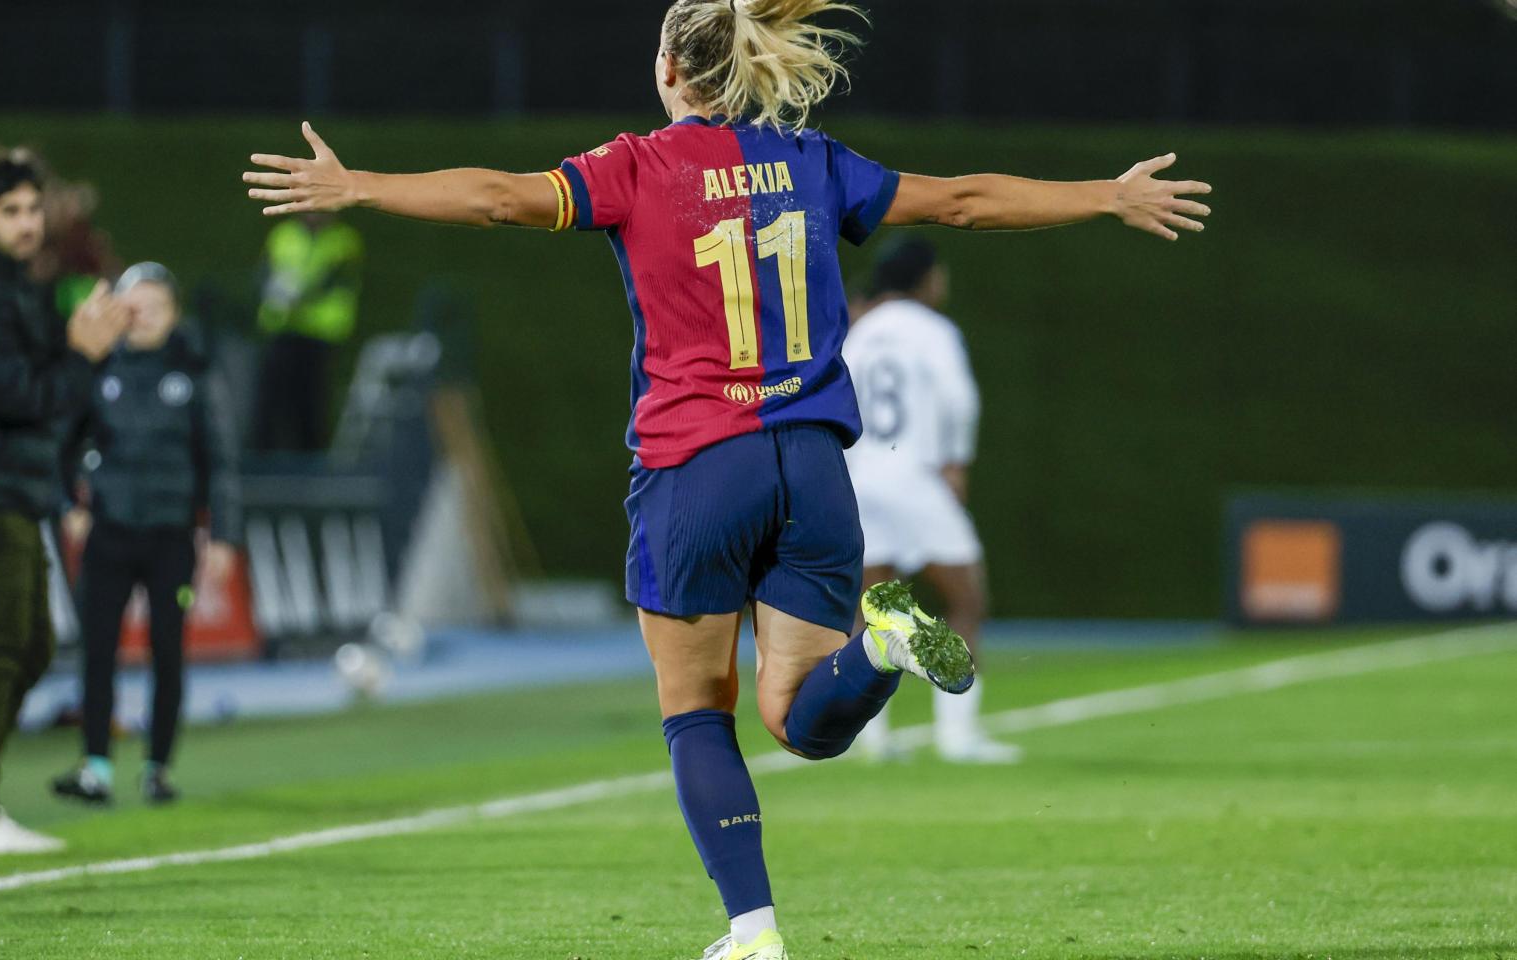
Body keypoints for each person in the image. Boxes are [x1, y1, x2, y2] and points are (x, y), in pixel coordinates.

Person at [242, 1, 1210, 954]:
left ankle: (752, 933)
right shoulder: (811, 161)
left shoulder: (636, 166)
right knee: (800, 720)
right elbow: (960, 200)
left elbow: (498, 195)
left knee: (695, 711)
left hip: (698, 464)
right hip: (814, 467)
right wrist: (1104, 195)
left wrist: (357, 185)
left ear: (668, 70)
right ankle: (880, 654)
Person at [0, 146, 129, 854]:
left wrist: (77, 349)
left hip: (10, 491)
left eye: (34, 207)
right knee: (2, 653)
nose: (29, 222)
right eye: (10, 211)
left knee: (31, 649)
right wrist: (82, 354)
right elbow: (24, 400)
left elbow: (41, 393)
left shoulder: (11, 282)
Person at [51, 262, 241, 807]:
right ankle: (95, 767)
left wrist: (224, 536)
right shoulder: (97, 367)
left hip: (170, 539)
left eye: (155, 306)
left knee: (167, 651)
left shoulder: (196, 372)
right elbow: (60, 442)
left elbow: (221, 462)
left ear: (174, 314)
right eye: (134, 306)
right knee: (97, 651)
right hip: (108, 534)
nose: (143, 316)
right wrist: (69, 504)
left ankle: (157, 767)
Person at [843, 239, 1019, 764]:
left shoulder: (861, 331)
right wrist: (955, 462)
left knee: (873, 611)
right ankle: (958, 736)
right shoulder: (934, 331)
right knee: (966, 601)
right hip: (916, 476)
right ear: (925, 278)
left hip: (862, 477)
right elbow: (958, 399)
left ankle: (867, 739)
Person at [251, 210, 363, 451]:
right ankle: (263, 455)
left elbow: (332, 278)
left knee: (312, 399)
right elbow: (263, 272)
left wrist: (297, 296)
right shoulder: (283, 234)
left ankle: (311, 458)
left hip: (321, 332)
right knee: (272, 396)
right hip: (281, 328)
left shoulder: (344, 240)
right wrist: (273, 291)